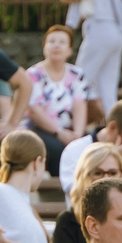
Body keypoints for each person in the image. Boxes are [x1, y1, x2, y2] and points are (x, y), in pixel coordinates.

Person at [18, 25, 91, 164]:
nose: (56, 46)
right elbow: (35, 111)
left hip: (69, 129)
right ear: (44, 47)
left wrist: (78, 135)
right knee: (58, 150)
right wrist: (59, 132)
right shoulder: (33, 75)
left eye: (62, 42)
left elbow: (79, 105)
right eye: (51, 42)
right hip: (39, 128)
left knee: (88, 147)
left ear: (69, 50)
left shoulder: (77, 74)